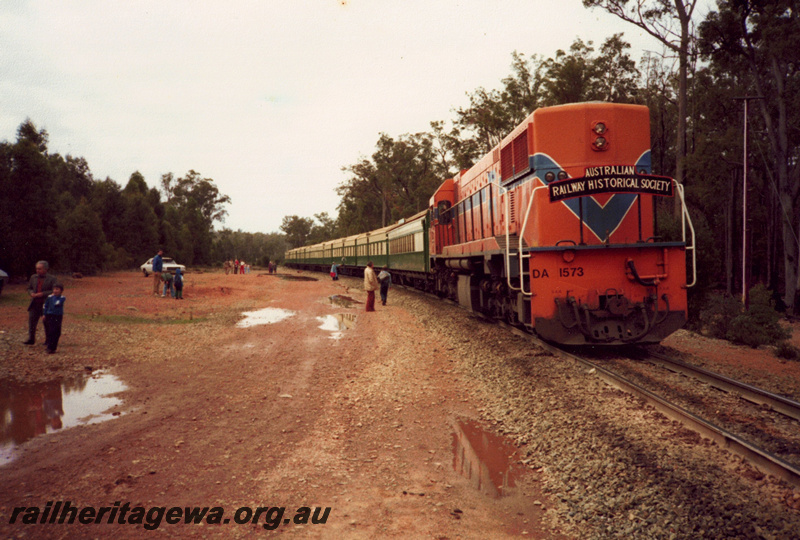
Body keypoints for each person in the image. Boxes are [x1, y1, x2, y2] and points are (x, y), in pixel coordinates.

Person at [23, 261, 58, 345]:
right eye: (36, 269)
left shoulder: (52, 279)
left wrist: (42, 294)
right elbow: (29, 288)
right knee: (32, 322)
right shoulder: (33, 277)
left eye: (39, 269)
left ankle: (48, 340)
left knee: (47, 323)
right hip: (34, 303)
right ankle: (31, 339)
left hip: (46, 304)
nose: (37, 270)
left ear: (45, 269)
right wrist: (31, 293)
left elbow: (54, 291)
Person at [43, 283, 65, 354]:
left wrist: (54, 297)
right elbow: (45, 305)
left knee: (57, 332)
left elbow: (57, 303)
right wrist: (44, 314)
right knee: (51, 331)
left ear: (61, 291)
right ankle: (49, 347)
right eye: (54, 289)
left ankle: (53, 347)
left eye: (57, 289)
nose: (55, 291)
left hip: (58, 315)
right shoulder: (49, 297)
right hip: (50, 315)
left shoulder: (62, 298)